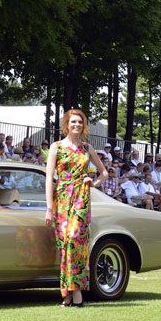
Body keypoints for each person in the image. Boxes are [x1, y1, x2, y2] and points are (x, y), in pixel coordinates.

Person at [45, 109, 108, 308]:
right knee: (65, 246)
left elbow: (104, 172)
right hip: (62, 199)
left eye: (80, 122)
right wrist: (49, 208)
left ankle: (76, 291)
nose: (77, 125)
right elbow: (49, 178)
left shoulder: (86, 148)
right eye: (73, 122)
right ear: (67, 124)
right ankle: (68, 293)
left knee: (74, 241)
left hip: (81, 197)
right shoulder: (56, 147)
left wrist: (94, 182)